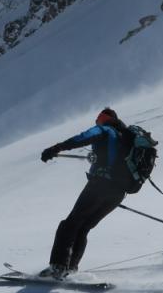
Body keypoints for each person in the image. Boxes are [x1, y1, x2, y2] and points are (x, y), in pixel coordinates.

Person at [39, 108, 129, 279]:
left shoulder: (105, 130)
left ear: (105, 119)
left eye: (99, 118)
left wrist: (56, 148)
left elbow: (83, 137)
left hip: (100, 185)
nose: (97, 121)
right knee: (82, 227)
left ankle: (58, 268)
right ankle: (70, 268)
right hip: (118, 193)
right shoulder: (123, 138)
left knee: (69, 225)